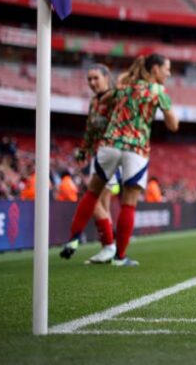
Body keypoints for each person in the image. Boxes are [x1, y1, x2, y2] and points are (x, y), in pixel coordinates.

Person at [60, 54, 179, 267]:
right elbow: (173, 125)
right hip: (136, 148)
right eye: (166, 69)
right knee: (128, 202)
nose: (168, 73)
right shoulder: (158, 91)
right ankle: (120, 256)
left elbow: (103, 99)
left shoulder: (125, 86)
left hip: (110, 144)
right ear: (154, 70)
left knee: (92, 192)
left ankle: (73, 237)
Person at [76, 64, 122, 264]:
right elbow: (90, 130)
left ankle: (109, 247)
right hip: (98, 156)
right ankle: (109, 248)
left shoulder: (115, 98)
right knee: (102, 204)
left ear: (107, 77)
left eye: (96, 78)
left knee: (93, 202)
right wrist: (84, 149)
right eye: (89, 79)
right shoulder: (94, 103)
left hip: (111, 156)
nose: (92, 83)